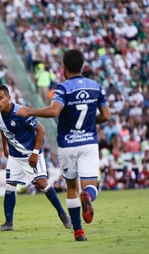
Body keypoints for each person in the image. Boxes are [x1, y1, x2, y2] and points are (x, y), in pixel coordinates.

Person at [18, 49, 110, 241]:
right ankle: (89, 198)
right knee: (90, 186)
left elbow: (54, 111)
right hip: (89, 143)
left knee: (71, 189)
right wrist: (90, 123)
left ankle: (78, 231)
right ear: (83, 65)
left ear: (64, 68)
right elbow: (107, 116)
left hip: (68, 144)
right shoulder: (96, 86)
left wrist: (30, 111)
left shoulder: (62, 88)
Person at [0, 84, 71, 232]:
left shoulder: (21, 112)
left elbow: (41, 130)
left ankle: (63, 214)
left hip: (31, 154)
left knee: (42, 184)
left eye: (0, 98)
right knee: (9, 187)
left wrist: (35, 153)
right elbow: (3, 129)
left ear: (8, 98)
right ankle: (8, 223)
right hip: (15, 157)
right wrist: (4, 147)